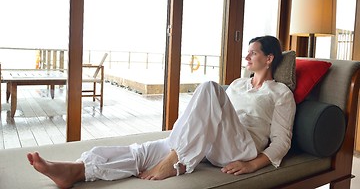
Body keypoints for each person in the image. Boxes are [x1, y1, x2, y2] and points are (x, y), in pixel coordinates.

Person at [27, 35, 296, 189]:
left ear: (269, 58)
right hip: (213, 143)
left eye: (252, 54)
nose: (246, 58)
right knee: (143, 151)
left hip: (242, 147)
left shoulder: (280, 93)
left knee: (210, 87)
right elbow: (210, 117)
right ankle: (76, 170)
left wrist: (251, 164)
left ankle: (176, 159)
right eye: (247, 53)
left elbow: (282, 142)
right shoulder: (238, 84)